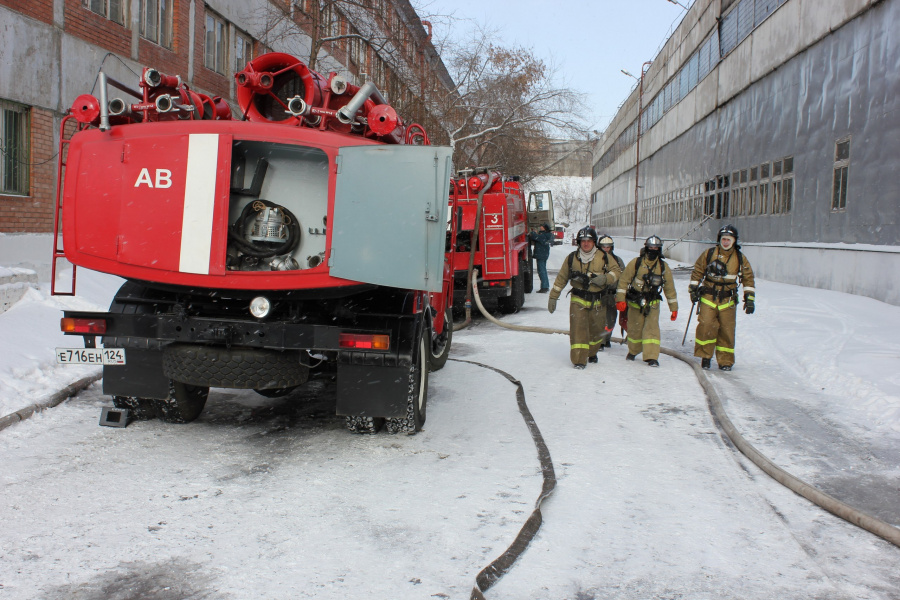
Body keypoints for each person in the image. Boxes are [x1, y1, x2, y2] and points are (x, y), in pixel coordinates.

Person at [548, 226, 622, 369]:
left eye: (589, 240)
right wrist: (553, 297)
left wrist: (605, 278)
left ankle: (592, 352)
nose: (586, 244)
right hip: (578, 300)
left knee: (596, 331)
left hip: (598, 301)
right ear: (579, 242)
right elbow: (561, 278)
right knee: (578, 331)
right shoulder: (572, 258)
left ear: (594, 242)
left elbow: (617, 272)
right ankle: (579, 360)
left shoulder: (604, 257)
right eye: (583, 241)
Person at [688, 224, 755, 371]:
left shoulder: (740, 258)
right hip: (708, 296)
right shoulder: (709, 253)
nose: (725, 242)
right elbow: (698, 270)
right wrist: (693, 289)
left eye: (728, 239)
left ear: (734, 241)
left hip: (728, 300)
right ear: (719, 240)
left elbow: (748, 279)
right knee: (706, 326)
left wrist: (749, 299)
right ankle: (706, 357)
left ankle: (725, 361)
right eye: (723, 239)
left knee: (727, 330)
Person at [615, 235, 678, 367]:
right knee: (635, 329)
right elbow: (623, 281)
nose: (653, 249)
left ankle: (651, 357)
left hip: (653, 303)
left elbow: (669, 288)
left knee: (652, 330)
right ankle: (633, 351)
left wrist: (674, 307)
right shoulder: (636, 263)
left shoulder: (663, 267)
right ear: (646, 248)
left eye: (656, 247)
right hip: (635, 302)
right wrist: (620, 299)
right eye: (651, 247)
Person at [597, 234, 625, 350]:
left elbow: (624, 278)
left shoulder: (618, 261)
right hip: (599, 294)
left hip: (612, 294)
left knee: (611, 318)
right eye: (604, 247)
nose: (606, 249)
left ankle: (607, 339)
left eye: (608, 247)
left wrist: (621, 295)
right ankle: (600, 341)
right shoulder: (595, 260)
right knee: (599, 318)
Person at [528, 223, 554, 293]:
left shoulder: (543, 235)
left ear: (544, 228)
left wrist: (533, 232)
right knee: (543, 270)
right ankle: (545, 286)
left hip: (541, 255)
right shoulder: (546, 234)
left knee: (542, 271)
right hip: (543, 255)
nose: (540, 227)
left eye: (541, 226)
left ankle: (544, 287)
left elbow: (534, 237)